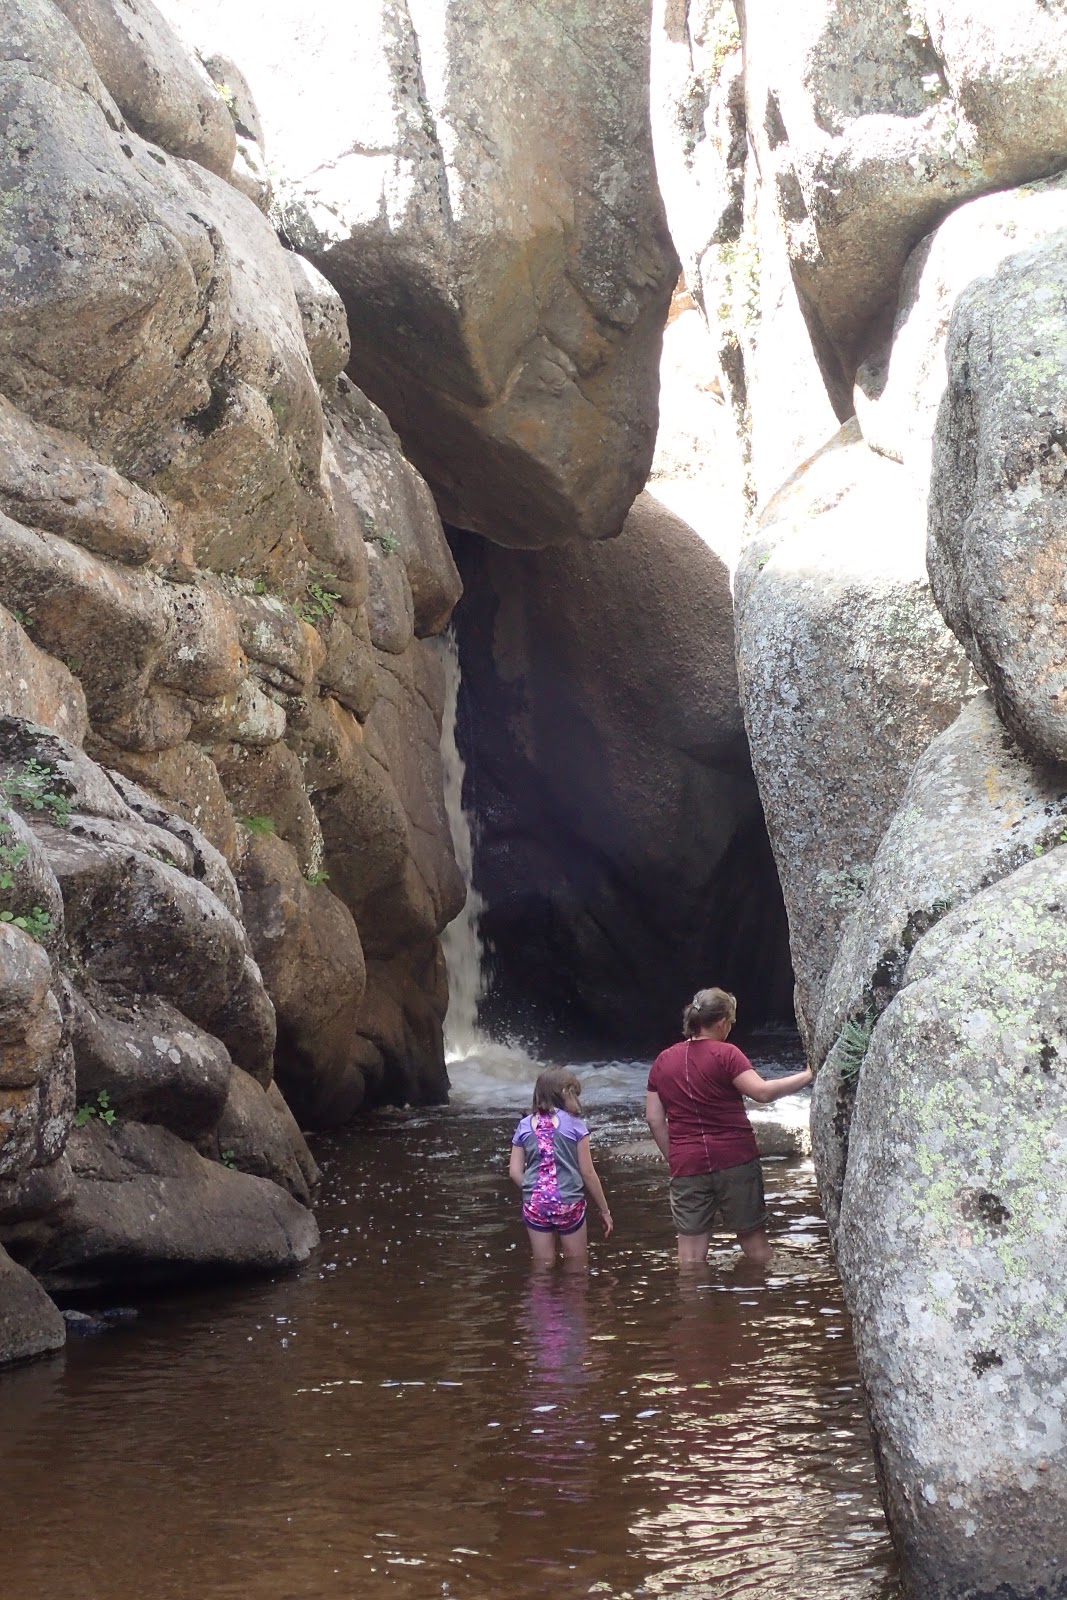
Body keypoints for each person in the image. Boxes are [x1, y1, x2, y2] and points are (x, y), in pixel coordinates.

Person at [645, 987, 812, 1268]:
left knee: (689, 1259)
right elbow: (762, 1092)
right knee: (756, 1246)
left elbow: (653, 1118)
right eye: (732, 1022)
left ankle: (695, 1309)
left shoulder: (663, 1061)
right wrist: (808, 1075)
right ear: (722, 1021)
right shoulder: (727, 1054)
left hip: (687, 1164)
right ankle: (755, 1306)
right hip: (735, 1158)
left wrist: (675, 1156)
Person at [509, 1067, 613, 1267]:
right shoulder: (575, 1125)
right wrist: (605, 1211)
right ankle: (573, 1297)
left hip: (535, 1203)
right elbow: (588, 1172)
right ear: (566, 1093)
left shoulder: (524, 1125)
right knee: (576, 1264)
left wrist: (536, 1190)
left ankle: (540, 1296)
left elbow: (514, 1172)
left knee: (543, 1264)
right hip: (568, 1201)